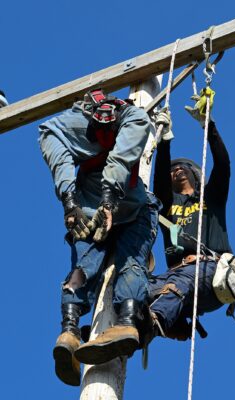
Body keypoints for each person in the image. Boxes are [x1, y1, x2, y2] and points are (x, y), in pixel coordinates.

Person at [39, 89, 159, 386]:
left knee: (85, 267)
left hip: (103, 207)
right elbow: (114, 160)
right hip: (111, 210)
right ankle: (123, 324)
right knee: (132, 261)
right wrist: (71, 205)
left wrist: (97, 201)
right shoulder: (79, 124)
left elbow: (116, 160)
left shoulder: (131, 118)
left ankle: (71, 329)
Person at [148, 101, 232, 341]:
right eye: (172, 170)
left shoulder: (211, 198)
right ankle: (118, 331)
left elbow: (223, 165)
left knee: (182, 282)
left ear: (194, 173)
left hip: (210, 271)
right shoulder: (167, 209)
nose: (177, 171)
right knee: (137, 290)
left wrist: (208, 125)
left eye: (183, 167)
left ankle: (155, 322)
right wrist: (164, 142)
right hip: (176, 275)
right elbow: (159, 183)